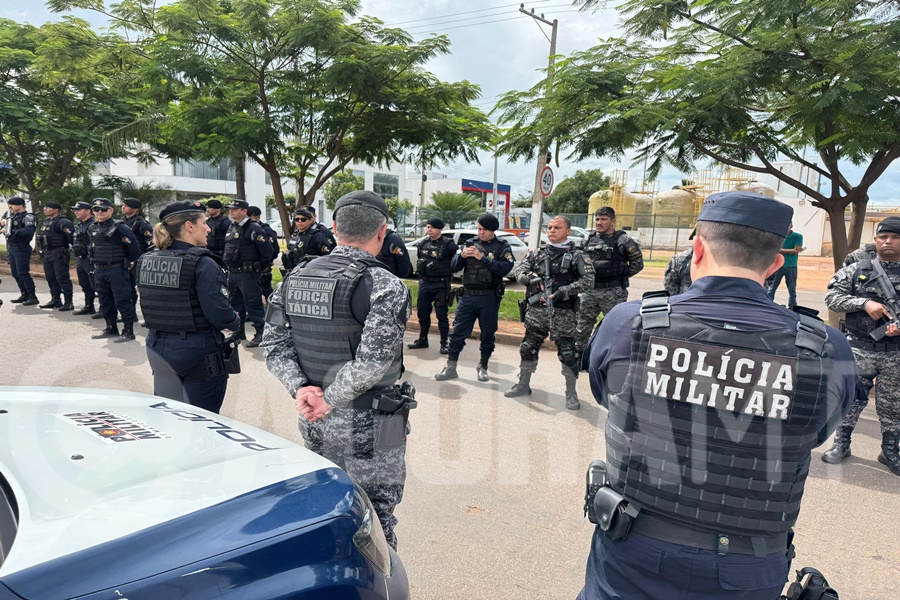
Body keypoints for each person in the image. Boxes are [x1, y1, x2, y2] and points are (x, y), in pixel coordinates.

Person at [579, 191, 855, 600]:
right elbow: (815, 431)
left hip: (634, 548)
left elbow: (607, 395)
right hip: (749, 566)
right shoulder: (827, 347)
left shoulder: (629, 322)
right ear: (777, 262)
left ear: (697, 247)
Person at [261, 190, 412, 550]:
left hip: (313, 418)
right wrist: (327, 399)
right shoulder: (385, 285)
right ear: (382, 232)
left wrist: (302, 389)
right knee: (375, 516)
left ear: (333, 228)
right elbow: (373, 363)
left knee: (325, 504)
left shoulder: (295, 277)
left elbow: (273, 345)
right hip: (371, 424)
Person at [138, 201, 241, 413]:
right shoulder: (203, 263)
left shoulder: (147, 259)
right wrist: (235, 321)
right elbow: (219, 313)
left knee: (169, 417)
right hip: (198, 350)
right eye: (204, 223)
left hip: (157, 346)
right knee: (203, 421)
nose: (209, 228)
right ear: (189, 226)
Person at [822, 215, 900, 475]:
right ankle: (841, 444)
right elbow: (832, 297)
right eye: (883, 237)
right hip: (858, 348)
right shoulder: (858, 268)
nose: (888, 242)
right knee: (851, 398)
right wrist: (863, 303)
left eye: (895, 237)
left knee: (893, 404)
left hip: (896, 354)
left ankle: (890, 450)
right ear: (876, 240)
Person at [505, 216, 594, 409]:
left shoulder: (578, 255)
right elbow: (520, 273)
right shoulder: (537, 253)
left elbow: (588, 281)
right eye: (550, 227)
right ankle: (523, 384)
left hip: (564, 313)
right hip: (537, 312)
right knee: (528, 348)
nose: (552, 230)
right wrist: (532, 279)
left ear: (568, 231)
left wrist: (564, 291)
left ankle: (571, 393)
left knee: (568, 354)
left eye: (557, 227)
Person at [435, 213, 514, 382]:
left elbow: (504, 269)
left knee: (487, 334)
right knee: (457, 333)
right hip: (468, 296)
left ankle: (483, 366)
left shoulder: (502, 246)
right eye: (479, 229)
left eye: (484, 229)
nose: (481, 232)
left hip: (489, 298)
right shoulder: (469, 244)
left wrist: (482, 258)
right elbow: (454, 267)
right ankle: (451, 367)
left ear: (493, 230)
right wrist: (461, 256)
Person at [576, 206, 643, 360]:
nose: (599, 222)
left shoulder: (623, 240)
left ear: (613, 221)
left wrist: (619, 275)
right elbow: (577, 261)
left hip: (613, 292)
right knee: (582, 326)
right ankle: (579, 357)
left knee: (615, 327)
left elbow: (637, 264)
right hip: (589, 291)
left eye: (603, 219)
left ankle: (611, 358)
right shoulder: (587, 240)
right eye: (597, 219)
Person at [88, 197, 142, 342]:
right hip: (99, 270)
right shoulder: (92, 227)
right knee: (105, 301)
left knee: (122, 300)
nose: (99, 212)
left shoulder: (120, 227)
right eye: (96, 209)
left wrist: (129, 263)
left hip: (117, 270)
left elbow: (134, 250)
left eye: (103, 209)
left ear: (111, 210)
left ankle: (128, 331)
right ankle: (111, 328)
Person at [223, 199, 275, 348]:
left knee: (253, 304)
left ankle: (260, 332)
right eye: (230, 209)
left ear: (244, 211)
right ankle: (238, 331)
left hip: (248, 274)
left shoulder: (253, 228)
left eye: (234, 209)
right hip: (233, 273)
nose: (231, 211)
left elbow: (267, 252)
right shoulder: (232, 227)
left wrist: (258, 268)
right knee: (235, 303)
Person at [407, 217, 457, 353]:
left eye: (432, 227)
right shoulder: (423, 244)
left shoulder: (449, 245)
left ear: (439, 229)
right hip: (425, 283)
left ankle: (444, 342)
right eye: (428, 227)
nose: (429, 230)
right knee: (422, 313)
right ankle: (423, 339)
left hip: (441, 284)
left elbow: (456, 263)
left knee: (441, 314)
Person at [36, 201, 75, 311]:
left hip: (59, 253)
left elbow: (71, 238)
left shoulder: (64, 222)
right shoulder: (47, 222)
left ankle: (69, 302)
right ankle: (55, 300)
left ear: (56, 209)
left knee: (62, 278)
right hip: (47, 253)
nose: (45, 209)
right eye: (45, 207)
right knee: (50, 278)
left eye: (48, 207)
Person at [2, 196, 39, 305]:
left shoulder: (28, 217)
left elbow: (29, 231)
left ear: (20, 205)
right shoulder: (10, 216)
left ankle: (32, 296)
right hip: (12, 246)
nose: (10, 207)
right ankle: (24, 294)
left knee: (23, 273)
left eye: (12, 204)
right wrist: (3, 225)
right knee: (15, 273)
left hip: (22, 247)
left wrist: (12, 231)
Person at [122, 197, 155, 313]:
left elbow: (151, 244)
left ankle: (148, 314)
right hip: (125, 260)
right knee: (127, 288)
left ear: (135, 209)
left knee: (144, 289)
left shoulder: (142, 224)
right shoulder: (121, 223)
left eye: (126, 205)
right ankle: (131, 313)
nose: (123, 207)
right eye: (123, 205)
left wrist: (144, 260)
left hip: (140, 260)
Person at [281, 205, 335, 273]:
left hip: (311, 274)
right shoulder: (295, 235)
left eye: (303, 219)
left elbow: (326, 258)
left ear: (310, 220)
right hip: (293, 273)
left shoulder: (317, 236)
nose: (299, 221)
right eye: (297, 219)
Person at [767, 222, 804, 309]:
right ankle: (768, 305)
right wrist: (792, 250)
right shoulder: (778, 236)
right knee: (772, 289)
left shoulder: (797, 236)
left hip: (791, 266)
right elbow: (773, 249)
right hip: (777, 266)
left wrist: (779, 250)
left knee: (792, 290)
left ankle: (792, 308)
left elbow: (796, 250)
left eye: (788, 226)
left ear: (791, 226)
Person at [248, 205, 281, 299]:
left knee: (266, 291)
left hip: (263, 268)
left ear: (256, 216)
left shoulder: (265, 229)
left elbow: (274, 249)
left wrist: (266, 263)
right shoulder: (250, 229)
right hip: (252, 268)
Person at [71, 201, 96, 315]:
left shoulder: (93, 225)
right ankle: (89, 305)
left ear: (88, 211)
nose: (76, 212)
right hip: (81, 258)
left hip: (91, 258)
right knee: (84, 283)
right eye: (75, 210)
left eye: (78, 210)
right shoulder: (80, 225)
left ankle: (104, 309)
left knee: (96, 283)